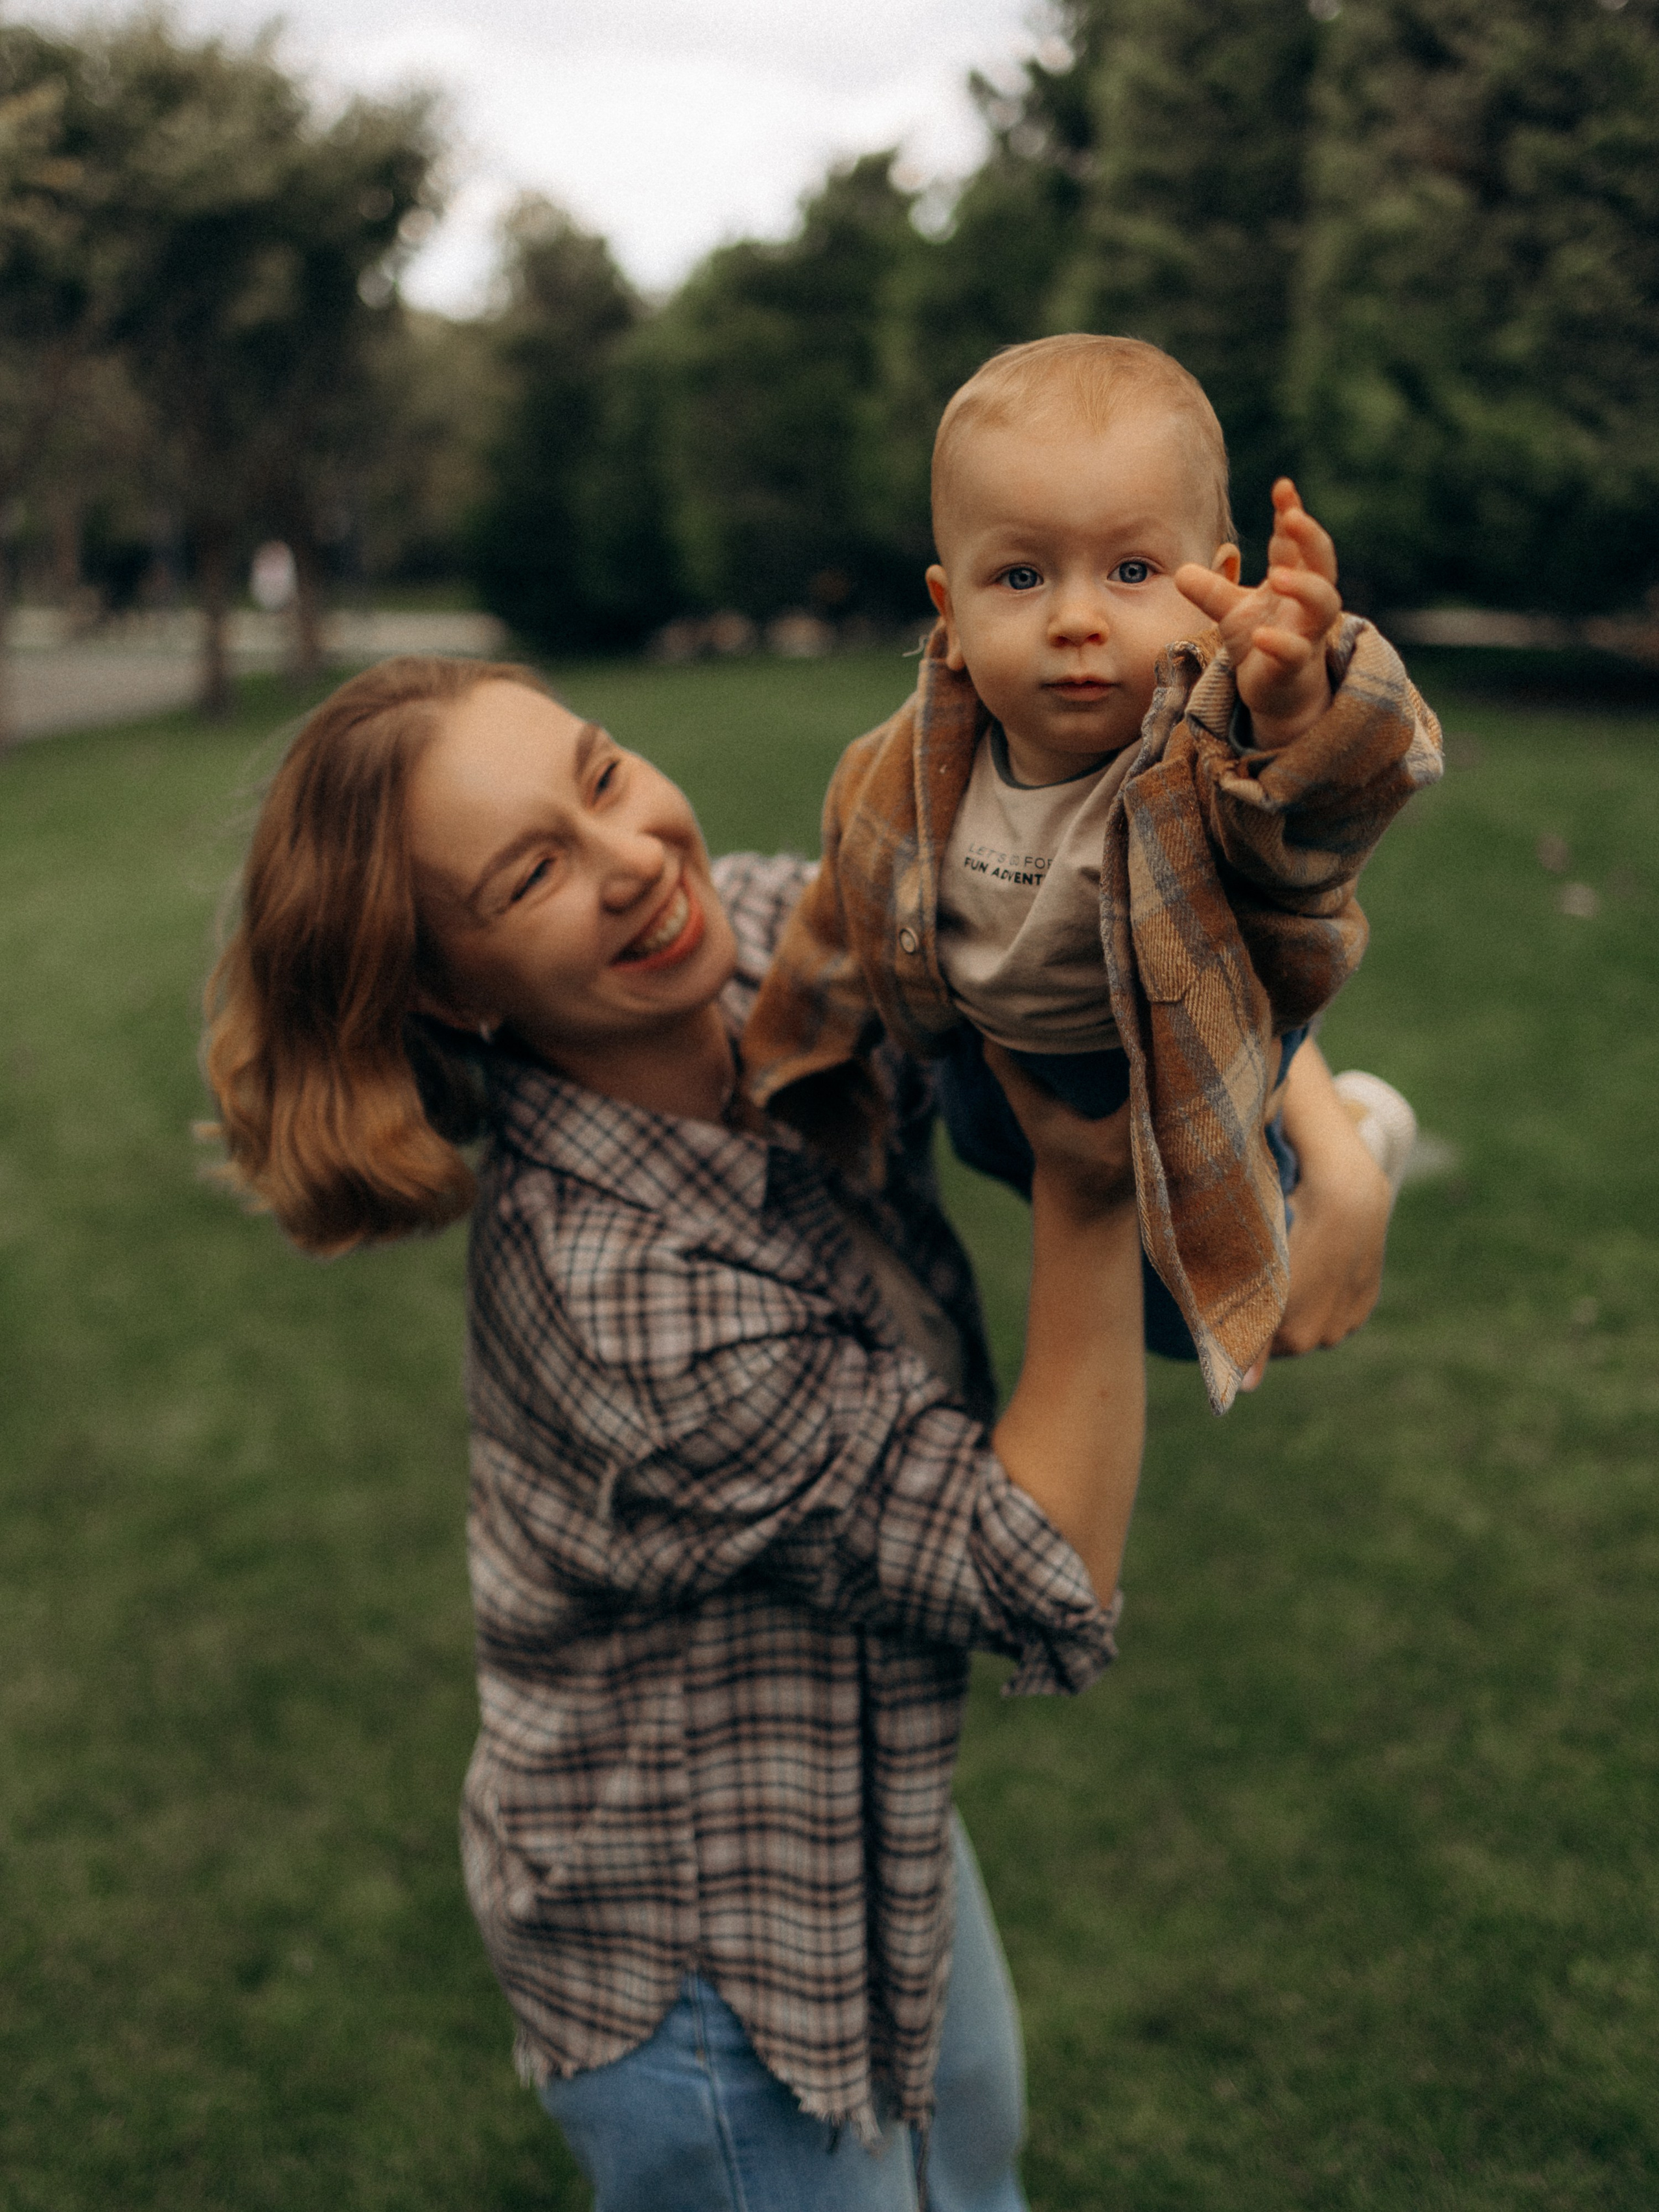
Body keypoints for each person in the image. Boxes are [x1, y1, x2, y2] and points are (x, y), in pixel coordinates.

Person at [200, 655, 1393, 2209]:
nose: (635, 860)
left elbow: (1076, 938)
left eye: (605, 773)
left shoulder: (765, 940)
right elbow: (1036, 1562)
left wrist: (1325, 1158)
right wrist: (1090, 1195)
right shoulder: (612, 1295)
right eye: (535, 870)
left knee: (973, 2181)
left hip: (869, 1806)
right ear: (452, 990)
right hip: (700, 1950)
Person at [742, 334, 1441, 1413]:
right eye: (1021, 576)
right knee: (994, 1154)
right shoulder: (900, 771)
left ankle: (1351, 1132)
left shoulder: (1197, 763)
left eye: (1131, 570)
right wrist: (799, 1051)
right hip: (987, 1061)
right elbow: (845, 907)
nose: (1077, 618)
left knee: (1189, 1316)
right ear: (952, 615)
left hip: (1178, 1065)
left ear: (1217, 587)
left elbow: (1310, 815)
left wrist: (1296, 698)